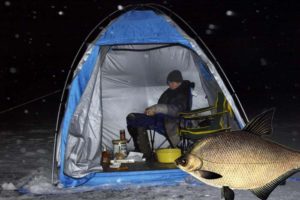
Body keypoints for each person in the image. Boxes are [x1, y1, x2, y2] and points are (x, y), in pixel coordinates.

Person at [126, 70, 192, 159]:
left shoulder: (183, 92)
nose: (171, 84)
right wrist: (150, 111)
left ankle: (144, 153)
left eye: (175, 82)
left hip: (172, 122)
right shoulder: (168, 92)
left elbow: (177, 110)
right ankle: (143, 151)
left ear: (179, 82)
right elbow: (160, 105)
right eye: (170, 82)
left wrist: (156, 109)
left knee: (137, 121)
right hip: (160, 118)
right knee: (132, 118)